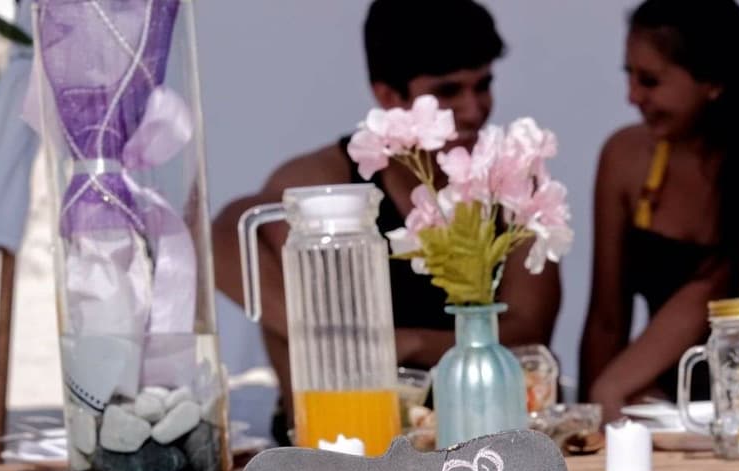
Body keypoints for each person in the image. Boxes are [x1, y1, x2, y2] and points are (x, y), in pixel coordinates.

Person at [212, 0, 562, 444]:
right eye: (449, 92)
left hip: (487, 436)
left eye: (484, 85)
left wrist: (399, 344)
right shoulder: (327, 180)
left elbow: (528, 332)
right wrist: (324, 341)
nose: (474, 109)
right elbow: (223, 235)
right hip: (342, 448)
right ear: (388, 97)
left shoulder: (509, 176)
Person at [580, 0, 739, 421]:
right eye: (629, 75)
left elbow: (716, 292)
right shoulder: (625, 158)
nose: (632, 96)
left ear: (713, 83)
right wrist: (592, 418)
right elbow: (607, 318)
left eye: (650, 81)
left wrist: (613, 384)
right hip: (665, 391)